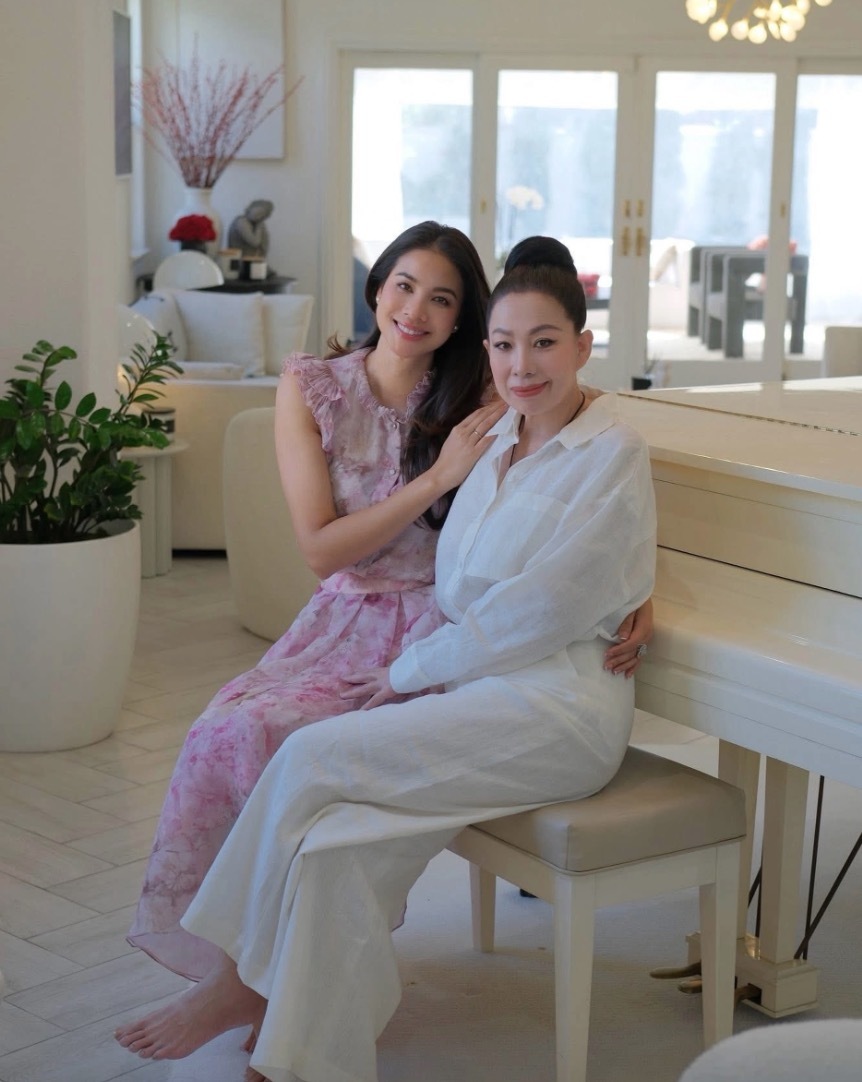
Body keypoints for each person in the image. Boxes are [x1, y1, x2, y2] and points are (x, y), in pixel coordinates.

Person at [116, 235, 658, 1081]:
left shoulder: (609, 448)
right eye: (507, 345)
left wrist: (629, 587)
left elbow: (545, 604)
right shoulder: (494, 435)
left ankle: (234, 982)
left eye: (545, 343)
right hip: (475, 679)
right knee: (336, 846)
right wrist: (626, 577)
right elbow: (477, 578)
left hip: (555, 705)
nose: (522, 363)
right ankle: (301, 1058)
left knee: (308, 757)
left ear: (584, 347)